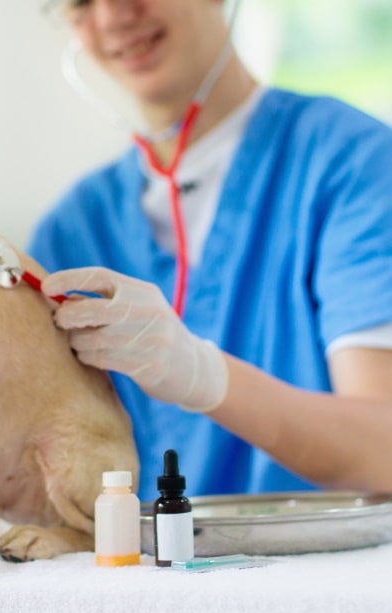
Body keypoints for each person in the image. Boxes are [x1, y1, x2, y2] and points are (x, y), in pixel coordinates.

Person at [29, 0, 392, 500]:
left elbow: (384, 449)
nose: (112, 16)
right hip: (129, 574)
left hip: (315, 569)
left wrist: (203, 373)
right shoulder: (71, 230)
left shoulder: (354, 165)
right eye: (80, 2)